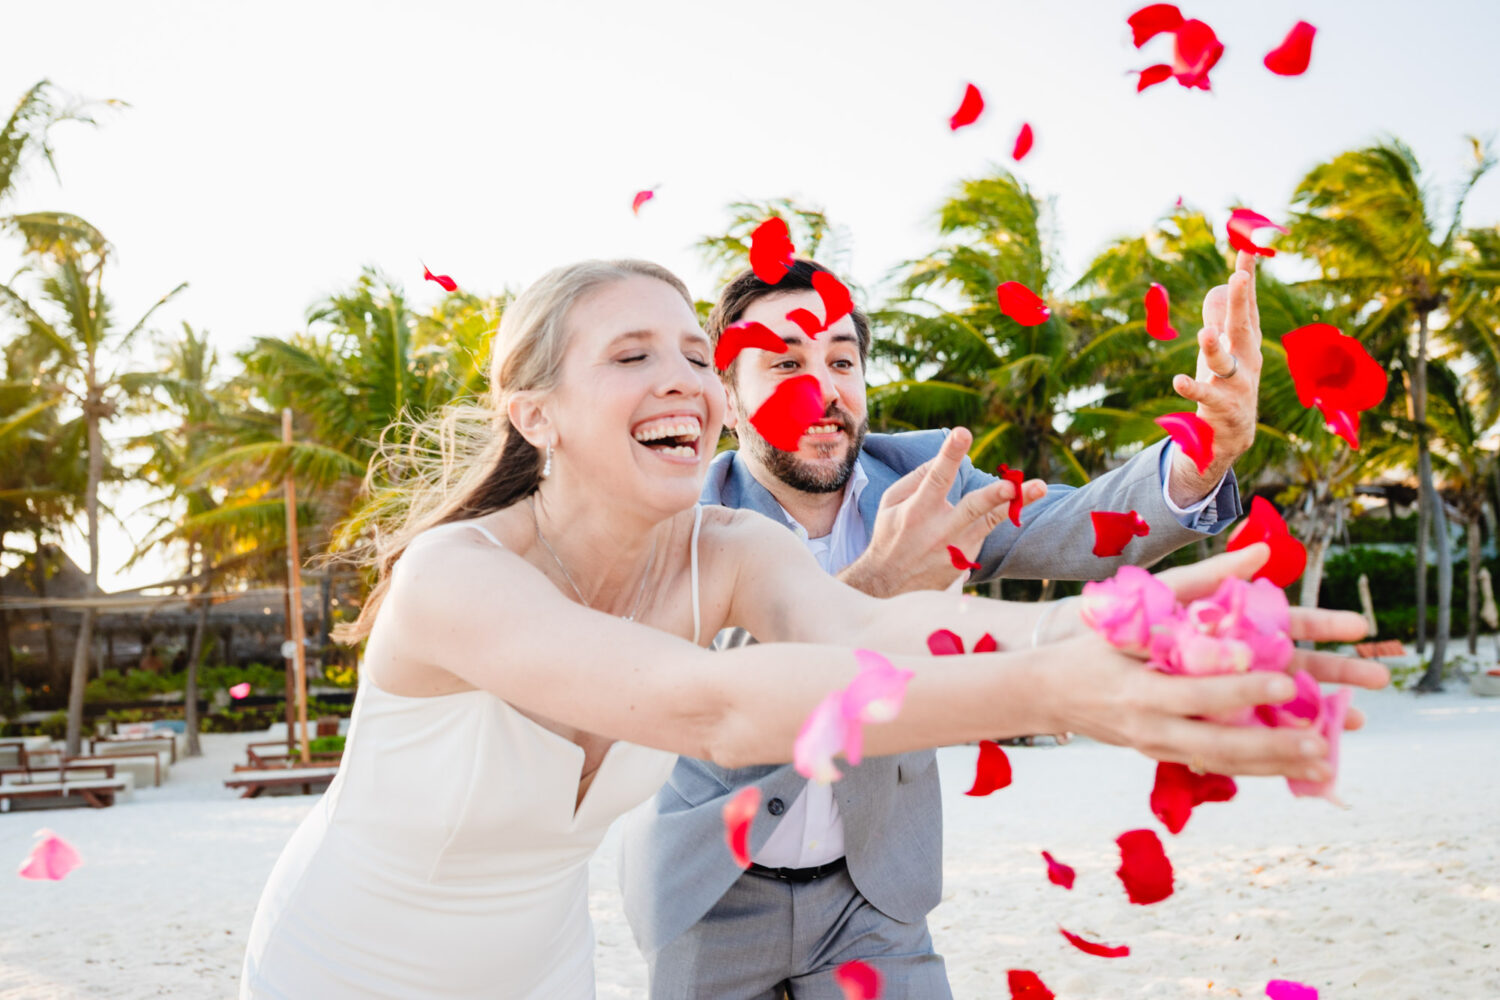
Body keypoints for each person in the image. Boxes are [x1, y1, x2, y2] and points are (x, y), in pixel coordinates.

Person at [239, 259, 1380, 999]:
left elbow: (891, 624)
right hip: (354, 961)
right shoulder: (457, 574)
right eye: (633, 355)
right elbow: (716, 705)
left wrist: (1116, 621)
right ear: (535, 414)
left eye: (689, 352)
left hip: (554, 967)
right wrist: (1059, 692)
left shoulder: (733, 550)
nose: (678, 375)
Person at [622, 253, 1274, 998]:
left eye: (842, 360)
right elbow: (700, 697)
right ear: (730, 404)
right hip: (713, 895)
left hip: (873, 898)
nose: (822, 390)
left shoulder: (927, 484)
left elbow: (1077, 525)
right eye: (784, 364)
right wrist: (873, 589)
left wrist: (1200, 455)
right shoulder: (675, 517)